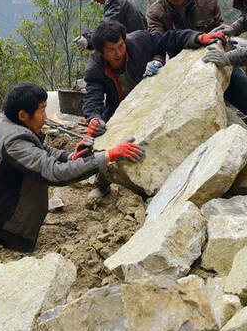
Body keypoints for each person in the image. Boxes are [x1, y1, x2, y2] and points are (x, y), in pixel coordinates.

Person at [0, 83, 145, 331]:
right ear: (23, 115)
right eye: (42, 110)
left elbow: (43, 150)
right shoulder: (14, 139)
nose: (46, 116)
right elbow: (53, 173)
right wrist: (108, 156)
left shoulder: (12, 124)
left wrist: (70, 156)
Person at [82, 20, 224, 198]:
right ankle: (102, 181)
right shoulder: (94, 68)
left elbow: (170, 38)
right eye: (111, 50)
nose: (119, 53)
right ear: (100, 52)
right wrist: (93, 118)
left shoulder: (138, 41)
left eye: (120, 46)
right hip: (119, 111)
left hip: (149, 100)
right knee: (108, 141)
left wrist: (198, 37)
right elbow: (92, 98)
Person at [147, 0, 247, 138]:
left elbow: (221, 33)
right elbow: (157, 43)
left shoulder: (207, 1)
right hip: (184, 76)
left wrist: (226, 46)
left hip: (217, 63)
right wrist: (157, 61)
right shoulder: (156, 12)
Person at [73, 0, 146, 51]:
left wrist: (88, 39)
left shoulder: (115, 0)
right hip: (139, 44)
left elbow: (106, 29)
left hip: (135, 48)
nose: (94, 0)